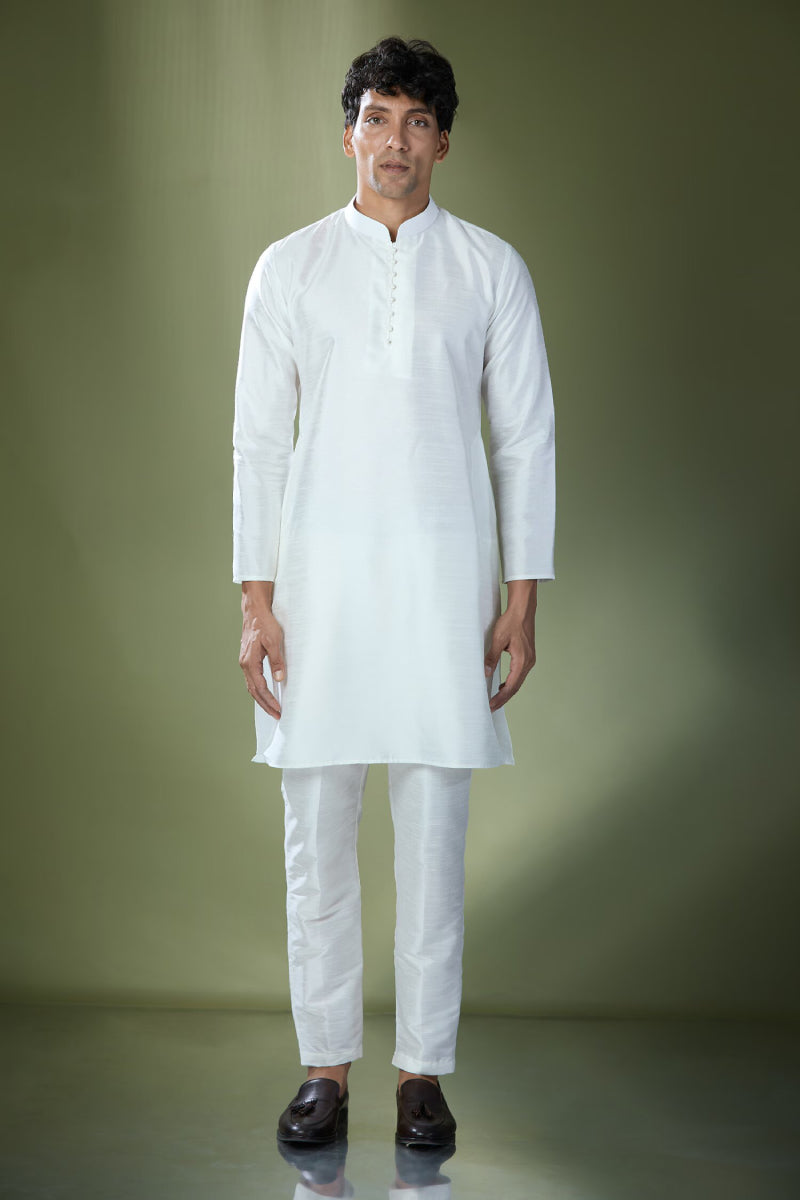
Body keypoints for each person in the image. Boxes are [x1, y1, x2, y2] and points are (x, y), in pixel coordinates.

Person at [232, 35, 556, 1148]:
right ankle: (324, 1071)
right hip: (316, 590)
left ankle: (423, 1076)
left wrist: (522, 596)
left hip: (442, 584)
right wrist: (256, 601)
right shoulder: (289, 268)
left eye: (418, 122)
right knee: (314, 839)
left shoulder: (490, 270)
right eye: (377, 117)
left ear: (444, 143)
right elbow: (256, 444)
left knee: (432, 840)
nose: (395, 141)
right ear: (348, 134)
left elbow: (524, 439)